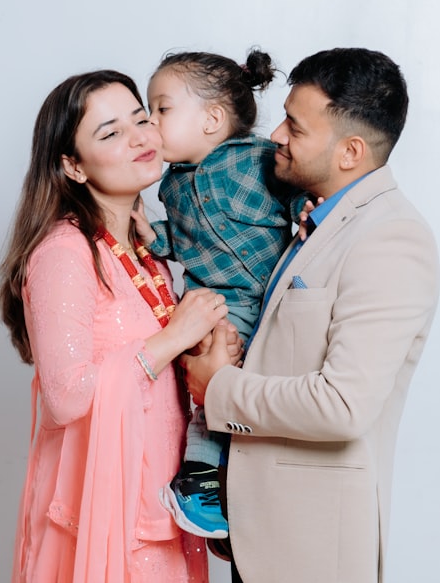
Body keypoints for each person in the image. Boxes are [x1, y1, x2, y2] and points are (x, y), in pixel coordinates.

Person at [182, 48, 440, 582]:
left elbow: (342, 405)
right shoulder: (314, 219)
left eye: (295, 128)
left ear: (350, 151)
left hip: (312, 550)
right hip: (262, 533)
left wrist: (218, 388)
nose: (276, 135)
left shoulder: (391, 239)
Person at [0, 69, 241, 583]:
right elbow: (66, 398)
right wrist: (173, 336)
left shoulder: (147, 251)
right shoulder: (65, 252)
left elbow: (155, 384)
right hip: (104, 519)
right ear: (73, 166)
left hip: (158, 510)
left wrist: (207, 356)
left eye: (141, 119)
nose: (138, 138)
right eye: (110, 133)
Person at [129, 49, 306, 541]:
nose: (150, 121)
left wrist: (306, 208)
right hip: (217, 305)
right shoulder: (171, 187)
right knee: (214, 384)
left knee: (259, 396)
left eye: (162, 109)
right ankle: (200, 478)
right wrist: (153, 236)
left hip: (273, 299)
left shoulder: (258, 159)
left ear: (211, 120)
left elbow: (293, 191)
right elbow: (184, 242)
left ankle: (232, 487)